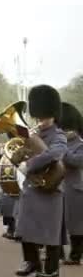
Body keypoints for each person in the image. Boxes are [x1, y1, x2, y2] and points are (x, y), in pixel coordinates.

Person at [13, 85, 67, 277]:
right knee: (26, 227)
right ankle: (31, 261)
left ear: (52, 115)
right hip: (31, 187)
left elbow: (55, 153)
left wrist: (31, 163)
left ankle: (52, 268)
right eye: (38, 117)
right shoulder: (33, 135)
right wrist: (18, 154)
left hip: (49, 187)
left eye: (44, 117)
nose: (40, 121)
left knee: (50, 231)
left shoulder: (58, 135)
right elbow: (21, 155)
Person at [59, 102, 83, 266]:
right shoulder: (58, 142)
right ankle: (56, 253)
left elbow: (76, 161)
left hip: (75, 188)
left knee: (76, 226)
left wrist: (62, 149)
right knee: (57, 223)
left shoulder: (81, 144)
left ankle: (76, 255)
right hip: (57, 187)